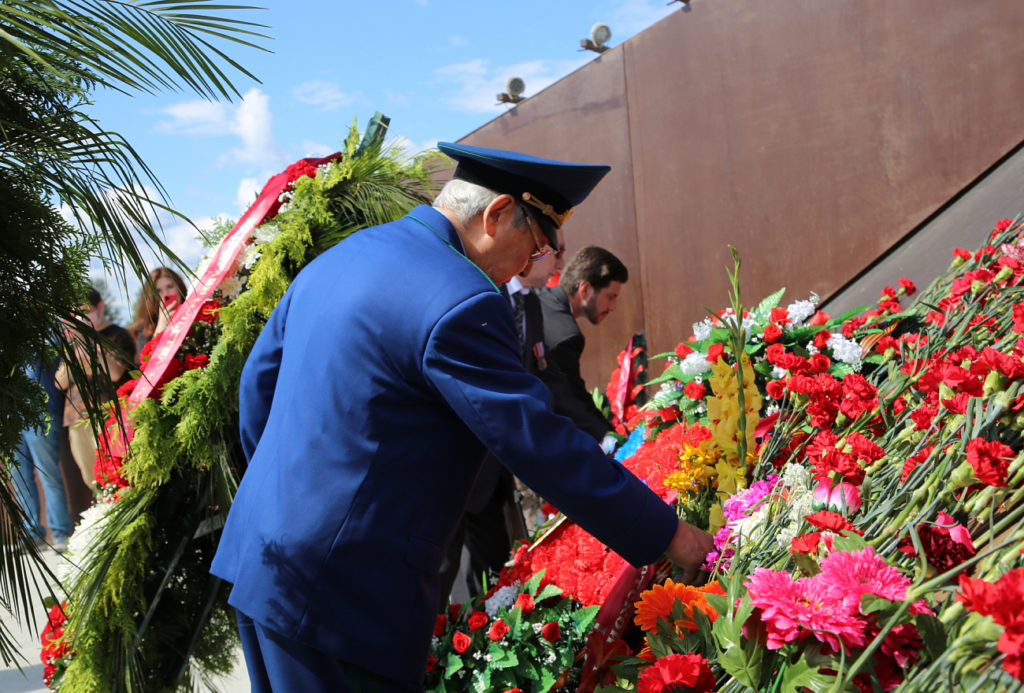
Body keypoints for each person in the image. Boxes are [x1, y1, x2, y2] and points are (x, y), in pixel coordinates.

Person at [210, 142, 714, 692]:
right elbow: (538, 445)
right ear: (496, 213)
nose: (529, 267)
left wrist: (292, 501)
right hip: (346, 592)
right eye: (536, 246)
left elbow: (258, 385)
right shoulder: (462, 298)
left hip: (267, 557)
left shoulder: (347, 254)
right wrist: (668, 533)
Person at [437, 243, 565, 608]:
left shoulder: (532, 304)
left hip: (495, 463)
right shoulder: (480, 298)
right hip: (457, 461)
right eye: (557, 252)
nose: (561, 263)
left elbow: (537, 375)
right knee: (441, 566)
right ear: (534, 253)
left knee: (491, 560)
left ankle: (481, 633)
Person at [535, 246, 627, 449]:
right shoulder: (567, 335)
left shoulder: (537, 298)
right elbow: (570, 397)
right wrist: (610, 437)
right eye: (611, 297)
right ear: (584, 289)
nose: (612, 307)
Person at [55, 287, 135, 488]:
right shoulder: (72, 342)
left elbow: (115, 373)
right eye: (74, 314)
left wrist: (91, 348)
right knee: (91, 478)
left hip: (110, 414)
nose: (80, 319)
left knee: (117, 471)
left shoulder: (116, 335)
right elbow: (60, 381)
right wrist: (78, 349)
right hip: (77, 417)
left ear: (100, 307)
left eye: (84, 311)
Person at [11, 358, 73, 552]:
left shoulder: (44, 334)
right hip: (12, 416)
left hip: (42, 412)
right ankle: (32, 536)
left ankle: (61, 533)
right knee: (19, 478)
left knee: (48, 474)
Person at [128, 266, 188, 361]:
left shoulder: (194, 315)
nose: (165, 293)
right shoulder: (144, 328)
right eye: (158, 291)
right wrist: (161, 325)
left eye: (170, 287)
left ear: (179, 288)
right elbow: (147, 362)